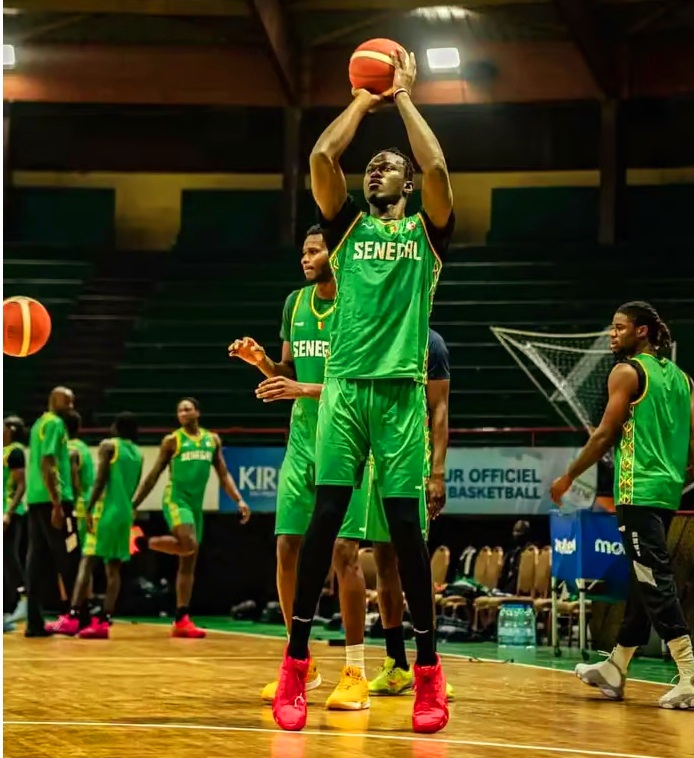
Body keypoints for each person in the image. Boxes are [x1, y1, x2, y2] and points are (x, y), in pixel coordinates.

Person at [273, 47, 454, 734]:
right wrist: (361, 98)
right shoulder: (346, 229)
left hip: (401, 391)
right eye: (374, 164)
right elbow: (323, 159)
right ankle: (296, 666)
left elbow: (436, 168)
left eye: (391, 166)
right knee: (325, 525)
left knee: (405, 536)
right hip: (346, 389)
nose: (380, 167)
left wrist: (403, 96)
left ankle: (429, 677)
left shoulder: (425, 234)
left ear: (406, 188)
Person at [549, 301, 694, 710]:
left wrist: (569, 476)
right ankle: (617, 665)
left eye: (619, 327)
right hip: (666, 493)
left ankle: (690, 676)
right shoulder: (684, 379)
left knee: (654, 580)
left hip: (637, 492)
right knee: (640, 579)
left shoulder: (627, 372)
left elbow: (605, 434)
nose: (612, 334)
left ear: (641, 332)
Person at [229, 224, 369, 710]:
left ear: (337, 253)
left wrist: (302, 389)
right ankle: (300, 662)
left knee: (344, 553)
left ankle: (356, 669)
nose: (305, 258)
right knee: (286, 546)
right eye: (304, 251)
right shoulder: (295, 303)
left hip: (347, 439)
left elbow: (361, 382)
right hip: (302, 442)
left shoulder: (357, 302)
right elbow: (290, 375)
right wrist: (263, 362)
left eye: (314, 250)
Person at [331, 328, 453, 698]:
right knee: (383, 559)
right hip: (370, 459)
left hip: (410, 460)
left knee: (411, 561)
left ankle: (429, 665)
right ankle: (397, 663)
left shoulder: (432, 343)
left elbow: (440, 408)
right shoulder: (377, 335)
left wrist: (437, 472)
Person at [132, 397, 251, 638]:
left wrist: (239, 499)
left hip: (196, 506)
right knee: (188, 544)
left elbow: (224, 473)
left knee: (188, 563)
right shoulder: (172, 441)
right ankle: (146, 543)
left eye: (188, 409)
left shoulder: (211, 440)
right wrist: (134, 504)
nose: (184, 413)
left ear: (197, 412)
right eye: (180, 410)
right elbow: (154, 475)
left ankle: (181, 618)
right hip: (176, 500)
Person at [53, 413, 143, 638]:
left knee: (86, 562)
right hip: (125, 513)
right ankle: (104, 621)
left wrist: (90, 507)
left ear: (116, 427)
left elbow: (100, 480)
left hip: (106, 511)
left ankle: (72, 617)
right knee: (113, 569)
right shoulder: (138, 454)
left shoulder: (108, 446)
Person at [26, 387, 80, 637]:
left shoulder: (39, 424)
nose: (71, 404)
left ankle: (34, 623)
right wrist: (57, 504)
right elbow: (48, 462)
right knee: (70, 557)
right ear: (54, 400)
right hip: (53, 501)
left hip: (36, 499)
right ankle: (76, 616)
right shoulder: (56, 424)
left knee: (37, 562)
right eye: (67, 401)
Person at [3, 415, 28, 632]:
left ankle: (23, 600)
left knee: (10, 557)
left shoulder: (15, 452)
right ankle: (6, 611)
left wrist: (8, 512)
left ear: (10, 429)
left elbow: (21, 485)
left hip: (9, 513)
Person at [65, 412, 95, 555]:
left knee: (71, 549)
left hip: (77, 506)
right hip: (89, 502)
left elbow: (73, 479)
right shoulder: (84, 447)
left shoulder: (69, 449)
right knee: (85, 549)